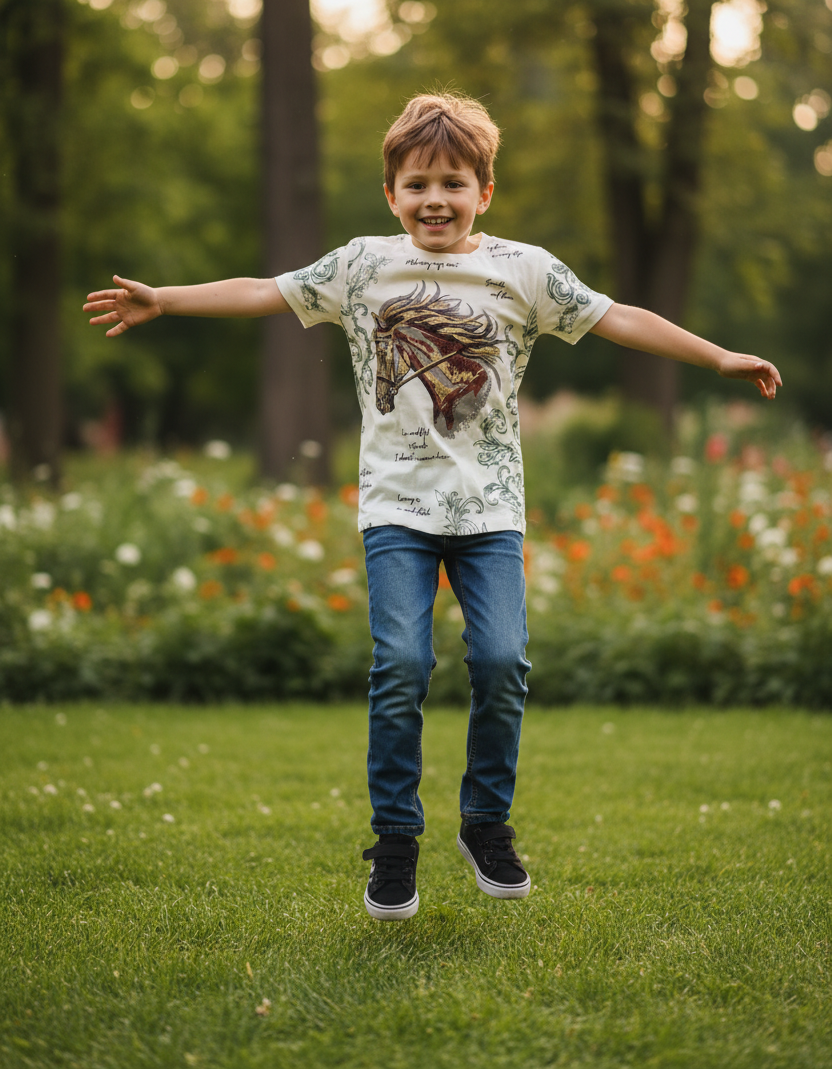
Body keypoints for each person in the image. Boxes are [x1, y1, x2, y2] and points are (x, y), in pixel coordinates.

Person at [84, 91, 781, 921]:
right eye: (417, 184)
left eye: (453, 182)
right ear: (391, 194)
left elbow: (617, 316)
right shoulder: (361, 266)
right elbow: (263, 291)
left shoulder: (526, 269)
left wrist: (718, 356)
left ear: (485, 190)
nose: (435, 200)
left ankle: (485, 823)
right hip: (396, 511)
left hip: (490, 510)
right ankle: (395, 840)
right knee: (401, 669)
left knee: (501, 663)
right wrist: (165, 298)